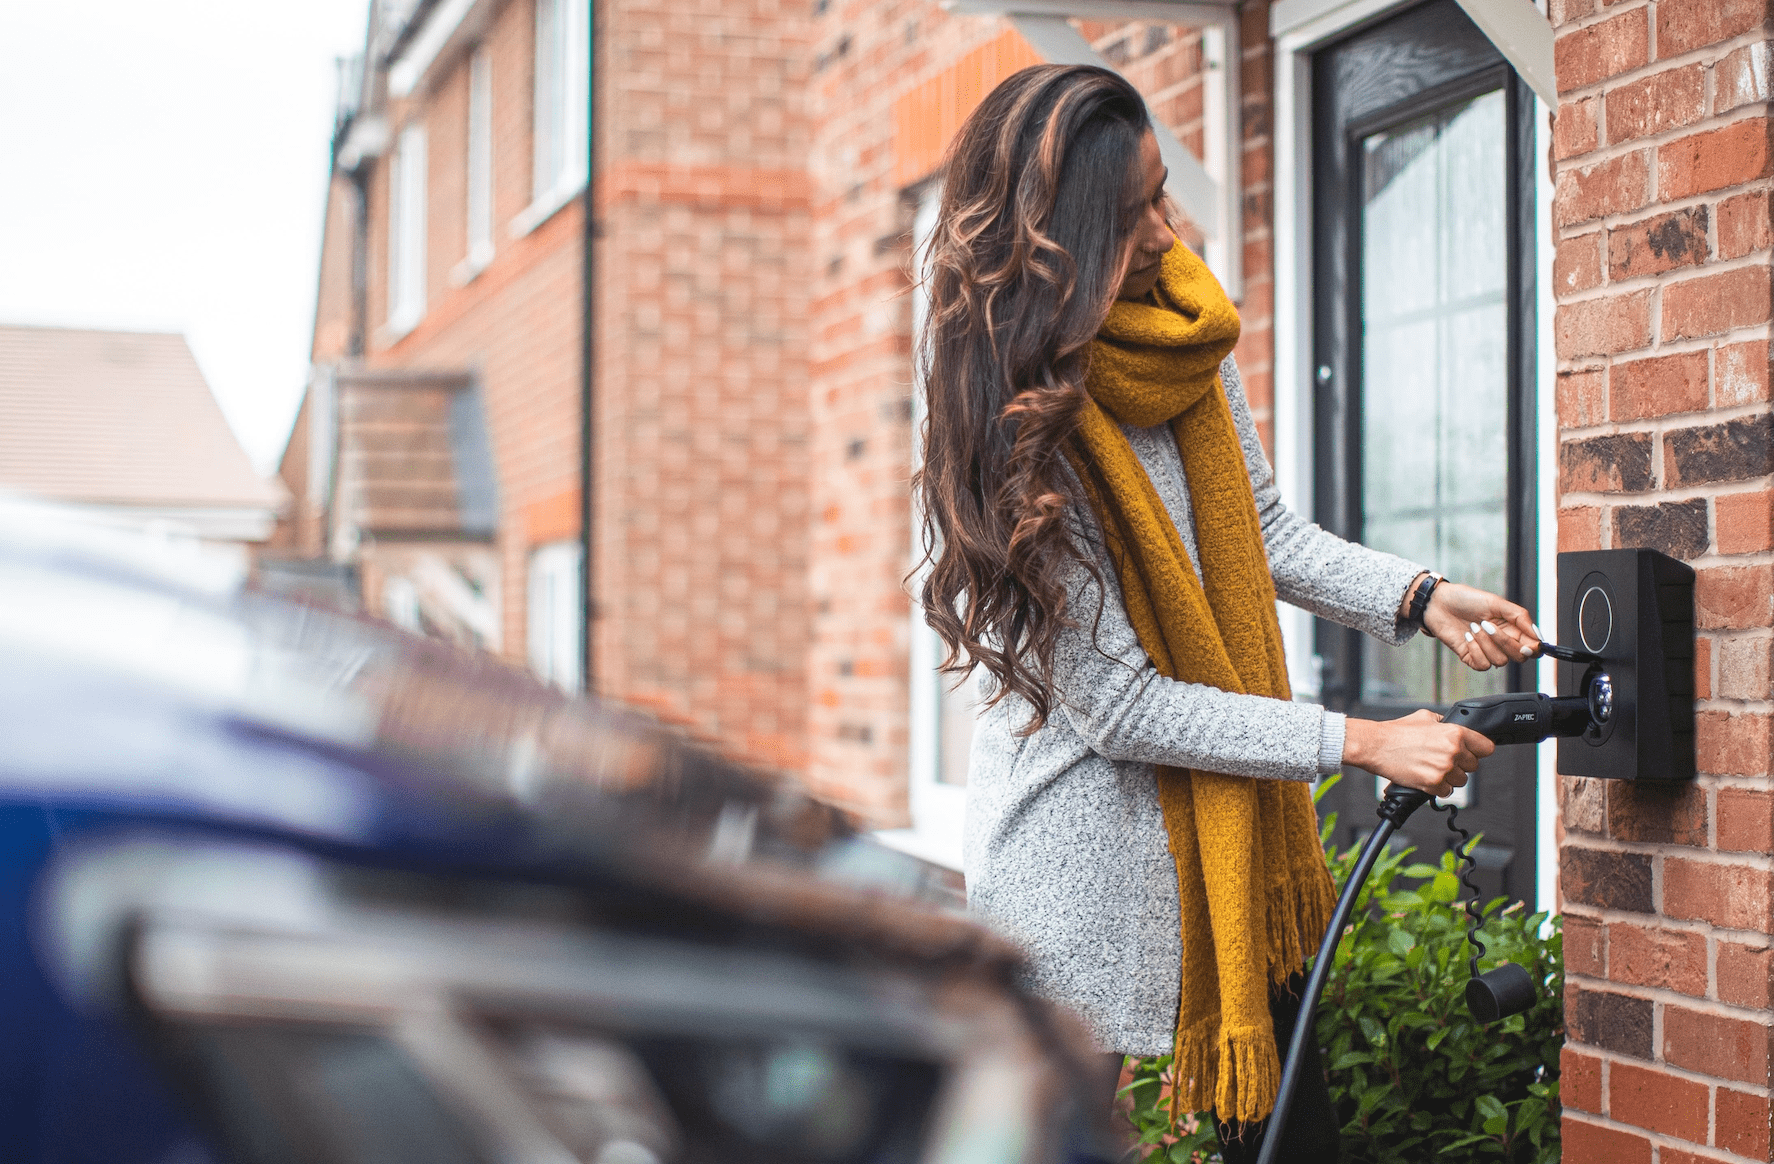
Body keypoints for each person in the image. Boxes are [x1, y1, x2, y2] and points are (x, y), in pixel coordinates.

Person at [912, 65, 1539, 1163]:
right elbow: (1121, 708)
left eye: (1162, 193)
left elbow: (1264, 533)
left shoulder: (1181, 336)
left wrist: (1422, 596)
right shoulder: (1017, 432)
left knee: (1289, 1135)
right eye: (1132, 215)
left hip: (1229, 847)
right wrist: (1358, 741)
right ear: (1054, 244)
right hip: (1079, 869)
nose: (1168, 230)